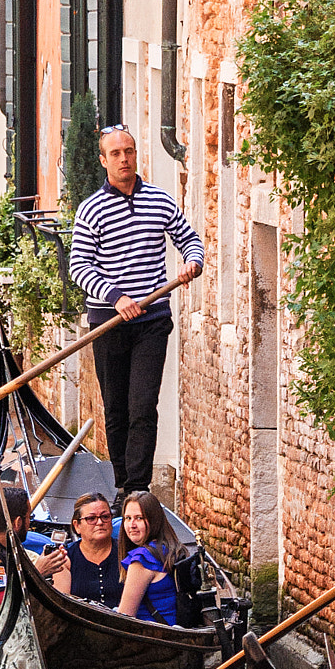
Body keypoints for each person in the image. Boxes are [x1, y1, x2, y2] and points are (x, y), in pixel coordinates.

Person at [67, 126, 203, 498]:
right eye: (115, 154)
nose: (124, 159)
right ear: (103, 161)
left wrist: (192, 262)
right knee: (116, 408)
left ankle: (138, 490)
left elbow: (190, 240)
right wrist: (115, 297)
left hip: (151, 320)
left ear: (135, 155)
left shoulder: (159, 200)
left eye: (128, 151)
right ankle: (123, 485)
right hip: (108, 321)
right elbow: (79, 266)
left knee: (143, 405)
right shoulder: (91, 209)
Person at [0, 487, 68, 642]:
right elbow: (5, 610)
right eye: (29, 517)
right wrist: (38, 573)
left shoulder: (0, 550)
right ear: (17, 522)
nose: (29, 523)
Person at [117, 490, 181, 625]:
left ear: (154, 520)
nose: (132, 525)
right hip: (176, 629)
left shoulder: (142, 559)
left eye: (139, 518)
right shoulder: (171, 548)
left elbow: (125, 617)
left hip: (152, 637)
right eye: (128, 518)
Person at [52, 490, 123, 606]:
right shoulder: (65, 558)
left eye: (105, 517)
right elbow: (62, 606)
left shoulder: (126, 552)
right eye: (91, 519)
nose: (100, 522)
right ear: (77, 525)